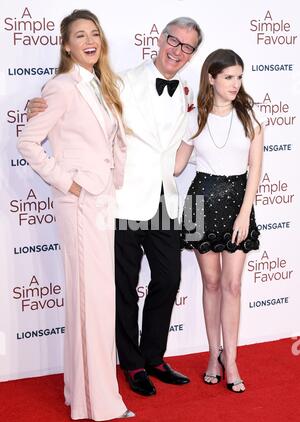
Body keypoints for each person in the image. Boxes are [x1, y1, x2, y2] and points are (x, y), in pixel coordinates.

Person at [27, 17, 203, 397]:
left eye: (188, 47)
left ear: (192, 54)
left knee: (168, 279)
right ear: (160, 39)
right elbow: (77, 109)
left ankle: (154, 356)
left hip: (163, 198)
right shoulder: (117, 82)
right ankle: (133, 364)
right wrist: (34, 107)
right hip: (120, 197)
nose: (178, 50)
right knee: (123, 287)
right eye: (174, 40)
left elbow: (186, 137)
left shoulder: (188, 89)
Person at [18, 9, 134, 421]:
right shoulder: (62, 86)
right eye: (80, 35)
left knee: (95, 302)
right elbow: (29, 143)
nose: (90, 40)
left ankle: (81, 393)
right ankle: (99, 402)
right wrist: (69, 183)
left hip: (102, 202)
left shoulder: (102, 84)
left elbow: (112, 141)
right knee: (93, 303)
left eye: (95, 33)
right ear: (66, 45)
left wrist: (110, 182)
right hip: (81, 203)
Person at [175, 49, 265, 393]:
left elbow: (255, 171)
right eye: (228, 76)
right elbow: (177, 167)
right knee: (210, 284)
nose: (235, 83)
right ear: (211, 78)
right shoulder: (193, 117)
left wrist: (244, 213)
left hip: (237, 203)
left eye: (239, 76)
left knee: (233, 285)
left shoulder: (250, 120)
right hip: (199, 202)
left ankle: (233, 359)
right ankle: (214, 354)